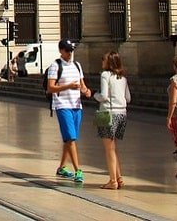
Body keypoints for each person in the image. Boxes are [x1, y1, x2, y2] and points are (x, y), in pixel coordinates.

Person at [47, 39, 92, 184]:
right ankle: (78, 169)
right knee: (71, 138)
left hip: (76, 105)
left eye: (71, 50)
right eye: (67, 50)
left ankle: (61, 167)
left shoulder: (77, 65)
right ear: (61, 51)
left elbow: (83, 85)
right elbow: (50, 88)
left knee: (70, 138)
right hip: (62, 105)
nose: (70, 53)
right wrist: (68, 86)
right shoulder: (55, 66)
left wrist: (86, 91)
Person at [96, 51, 131, 189]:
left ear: (109, 62)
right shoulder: (123, 78)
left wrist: (94, 95)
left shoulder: (105, 75)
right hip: (122, 113)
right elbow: (128, 98)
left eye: (103, 59)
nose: (102, 61)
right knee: (114, 148)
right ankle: (119, 177)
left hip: (106, 112)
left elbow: (104, 96)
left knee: (108, 149)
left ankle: (112, 181)